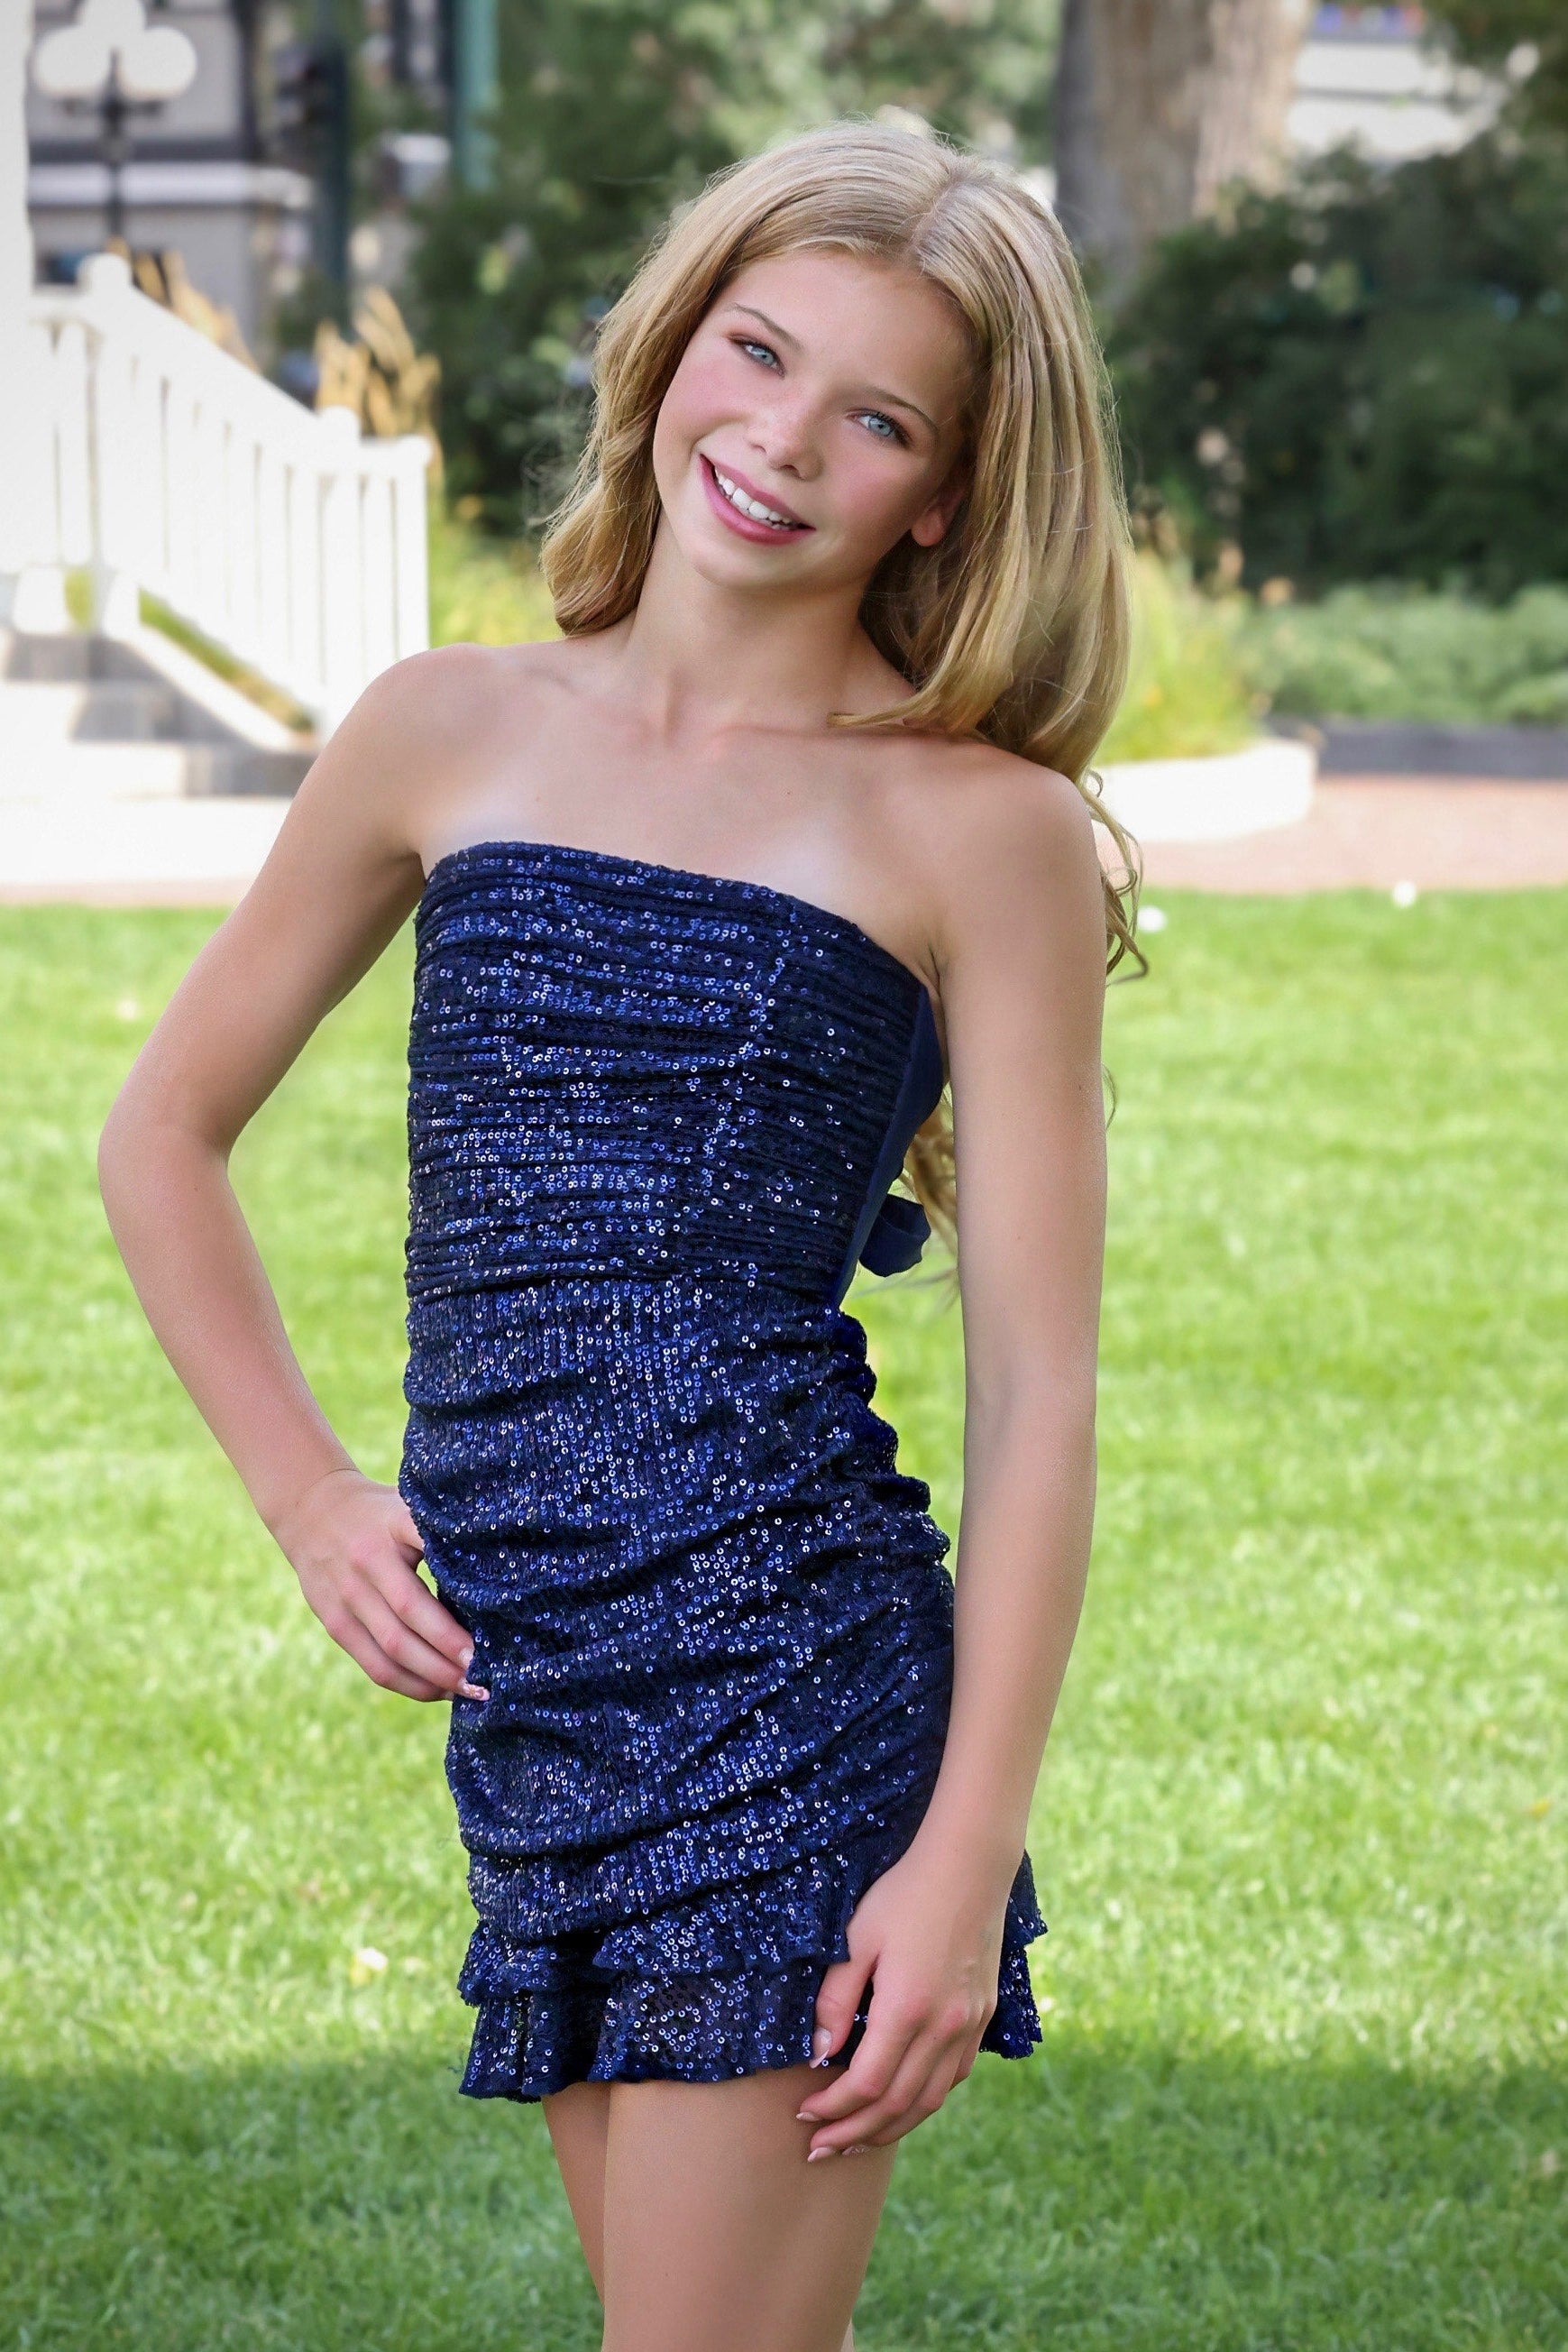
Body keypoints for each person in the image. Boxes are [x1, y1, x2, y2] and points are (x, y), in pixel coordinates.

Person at [99, 117, 1136, 2352]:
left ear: (947, 491)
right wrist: (305, 1493)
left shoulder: (983, 827)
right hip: (546, 1691)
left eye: (877, 417)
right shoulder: (445, 727)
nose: (781, 438)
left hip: (783, 1676)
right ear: (674, 347)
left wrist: (960, 1859)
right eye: (755, 354)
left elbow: (1041, 1389)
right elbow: (163, 1133)